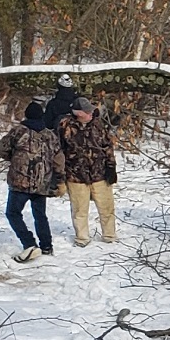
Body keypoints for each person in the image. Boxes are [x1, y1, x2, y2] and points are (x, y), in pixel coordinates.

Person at [0, 99, 64, 262]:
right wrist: (59, 179)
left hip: (20, 181)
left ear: (26, 115)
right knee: (40, 215)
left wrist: (13, 157)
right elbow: (59, 159)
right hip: (42, 181)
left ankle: (29, 244)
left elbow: (2, 148)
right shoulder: (50, 135)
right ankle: (47, 246)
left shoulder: (18, 131)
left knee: (13, 213)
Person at [59, 97, 118, 245]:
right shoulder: (64, 126)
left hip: (100, 174)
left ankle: (109, 236)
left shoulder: (98, 124)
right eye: (87, 111)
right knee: (79, 210)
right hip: (76, 176)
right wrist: (59, 173)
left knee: (107, 208)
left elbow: (107, 146)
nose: (91, 113)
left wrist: (111, 167)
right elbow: (58, 150)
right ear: (79, 113)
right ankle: (82, 238)